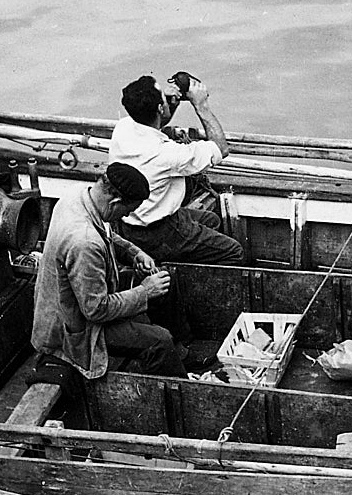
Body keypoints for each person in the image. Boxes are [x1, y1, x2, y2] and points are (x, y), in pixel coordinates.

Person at [31, 162, 186, 380]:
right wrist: (144, 292)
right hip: (74, 331)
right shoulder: (84, 242)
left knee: (165, 282)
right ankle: (180, 387)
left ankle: (180, 356)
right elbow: (96, 310)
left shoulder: (79, 198)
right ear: (115, 202)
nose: (124, 217)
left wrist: (134, 253)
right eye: (127, 211)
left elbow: (108, 234)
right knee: (159, 341)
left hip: (79, 302)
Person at [108, 74, 244, 264]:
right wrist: (201, 105)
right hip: (160, 233)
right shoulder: (167, 154)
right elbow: (221, 149)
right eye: (162, 94)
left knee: (212, 221)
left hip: (132, 224)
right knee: (234, 252)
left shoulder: (123, 128)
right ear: (159, 108)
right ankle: (186, 284)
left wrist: (171, 104)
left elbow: (153, 125)